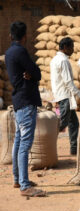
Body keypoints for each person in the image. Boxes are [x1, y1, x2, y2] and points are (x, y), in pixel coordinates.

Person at [5, 21, 46, 197]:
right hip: (26, 100)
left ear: (10, 36)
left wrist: (31, 73)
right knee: (24, 144)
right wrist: (32, 73)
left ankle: (17, 179)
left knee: (18, 141)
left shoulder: (8, 53)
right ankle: (24, 185)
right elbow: (36, 72)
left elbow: (31, 72)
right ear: (25, 36)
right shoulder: (21, 51)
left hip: (18, 100)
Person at [50, 37, 80, 155]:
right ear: (65, 48)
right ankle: (47, 143)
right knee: (62, 124)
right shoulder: (63, 61)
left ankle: (74, 149)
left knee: (74, 123)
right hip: (65, 96)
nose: (73, 50)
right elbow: (68, 82)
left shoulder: (55, 59)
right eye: (71, 47)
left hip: (62, 95)